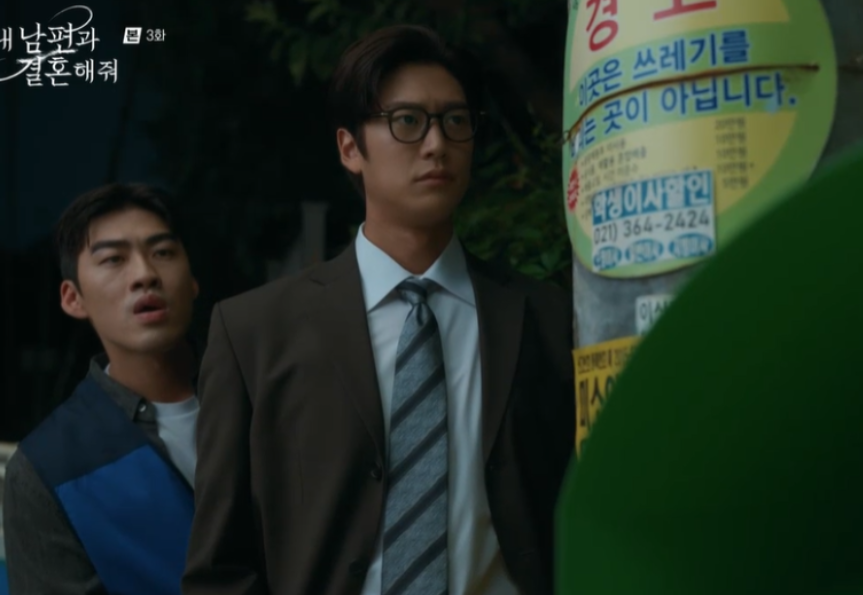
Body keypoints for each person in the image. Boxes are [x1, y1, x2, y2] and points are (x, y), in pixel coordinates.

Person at [183, 24, 574, 595]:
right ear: (350, 148)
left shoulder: (546, 317)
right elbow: (221, 566)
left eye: (455, 121)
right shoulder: (254, 333)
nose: (436, 144)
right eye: (407, 121)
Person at [3, 184, 201, 595]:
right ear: (73, 299)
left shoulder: (261, 399)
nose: (145, 274)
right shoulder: (49, 467)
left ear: (193, 280)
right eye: (113, 259)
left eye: (163, 252)